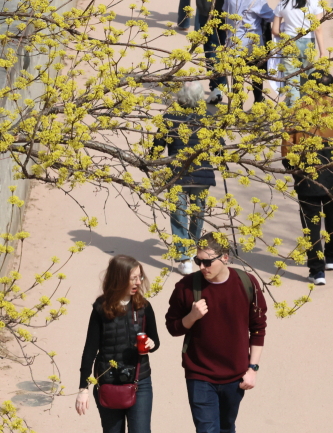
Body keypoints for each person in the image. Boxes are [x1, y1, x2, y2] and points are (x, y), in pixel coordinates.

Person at [165, 232, 268, 433]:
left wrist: (252, 369)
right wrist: (191, 317)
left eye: (207, 262)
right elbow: (172, 326)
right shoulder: (186, 287)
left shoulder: (247, 284)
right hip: (199, 374)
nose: (202, 267)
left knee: (226, 428)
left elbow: (258, 329)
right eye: (198, 261)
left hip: (235, 376)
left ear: (225, 258)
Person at [281, 70, 333, 285]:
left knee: (310, 223)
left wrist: (292, 169)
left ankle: (317, 271)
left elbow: (287, 147)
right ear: (331, 88)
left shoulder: (297, 109)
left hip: (306, 174)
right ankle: (332, 256)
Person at [76, 255, 161, 433]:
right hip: (108, 383)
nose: (138, 282)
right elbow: (89, 351)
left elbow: (156, 341)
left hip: (140, 382)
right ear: (119, 279)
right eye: (133, 278)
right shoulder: (101, 308)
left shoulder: (144, 307)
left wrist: (150, 344)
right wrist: (83, 388)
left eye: (140, 277)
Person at [154, 83, 223, 275]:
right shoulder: (207, 118)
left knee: (179, 215)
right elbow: (219, 146)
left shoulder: (169, 117)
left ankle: (184, 256)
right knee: (197, 212)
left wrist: (152, 156)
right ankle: (191, 246)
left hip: (178, 175)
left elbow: (158, 146)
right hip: (202, 174)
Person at [272, 0, 326, 107]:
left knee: (292, 82)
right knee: (307, 79)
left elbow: (275, 30)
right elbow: (318, 28)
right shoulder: (315, 2)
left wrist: (285, 34)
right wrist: (322, 52)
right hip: (308, 44)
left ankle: (293, 112)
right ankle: (306, 110)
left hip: (289, 43)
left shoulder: (283, 3)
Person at [223, 0, 275, 104]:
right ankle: (258, 101)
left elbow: (225, 10)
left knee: (237, 77)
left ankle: (237, 109)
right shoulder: (257, 1)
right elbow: (271, 16)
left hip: (234, 41)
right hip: (253, 43)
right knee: (256, 73)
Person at [196, 0, 227, 103]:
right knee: (225, 45)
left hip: (209, 10)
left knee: (212, 48)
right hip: (229, 9)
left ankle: (217, 86)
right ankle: (222, 83)